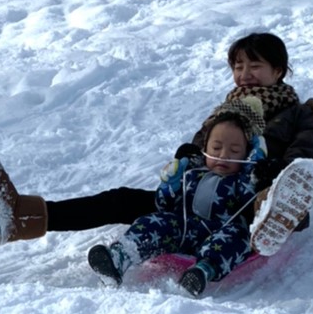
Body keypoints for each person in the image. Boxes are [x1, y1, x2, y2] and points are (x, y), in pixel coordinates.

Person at [0, 31, 313, 256]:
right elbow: (204, 144)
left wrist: (275, 170)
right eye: (238, 66)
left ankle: (275, 215)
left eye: (254, 66)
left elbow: (308, 153)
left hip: (247, 200)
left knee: (274, 194)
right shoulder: (229, 110)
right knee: (120, 200)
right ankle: (22, 216)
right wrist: (192, 154)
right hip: (200, 197)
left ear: (279, 71)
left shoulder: (301, 114)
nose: (244, 74)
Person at [88, 104, 268, 297]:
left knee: (238, 237)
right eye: (216, 148)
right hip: (184, 228)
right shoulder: (192, 172)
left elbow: (251, 200)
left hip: (220, 231)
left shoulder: (242, 180)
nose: (223, 156)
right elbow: (164, 205)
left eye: (234, 151)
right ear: (205, 148)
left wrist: (256, 164)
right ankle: (120, 256)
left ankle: (202, 272)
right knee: (155, 222)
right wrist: (169, 186)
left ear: (247, 154)